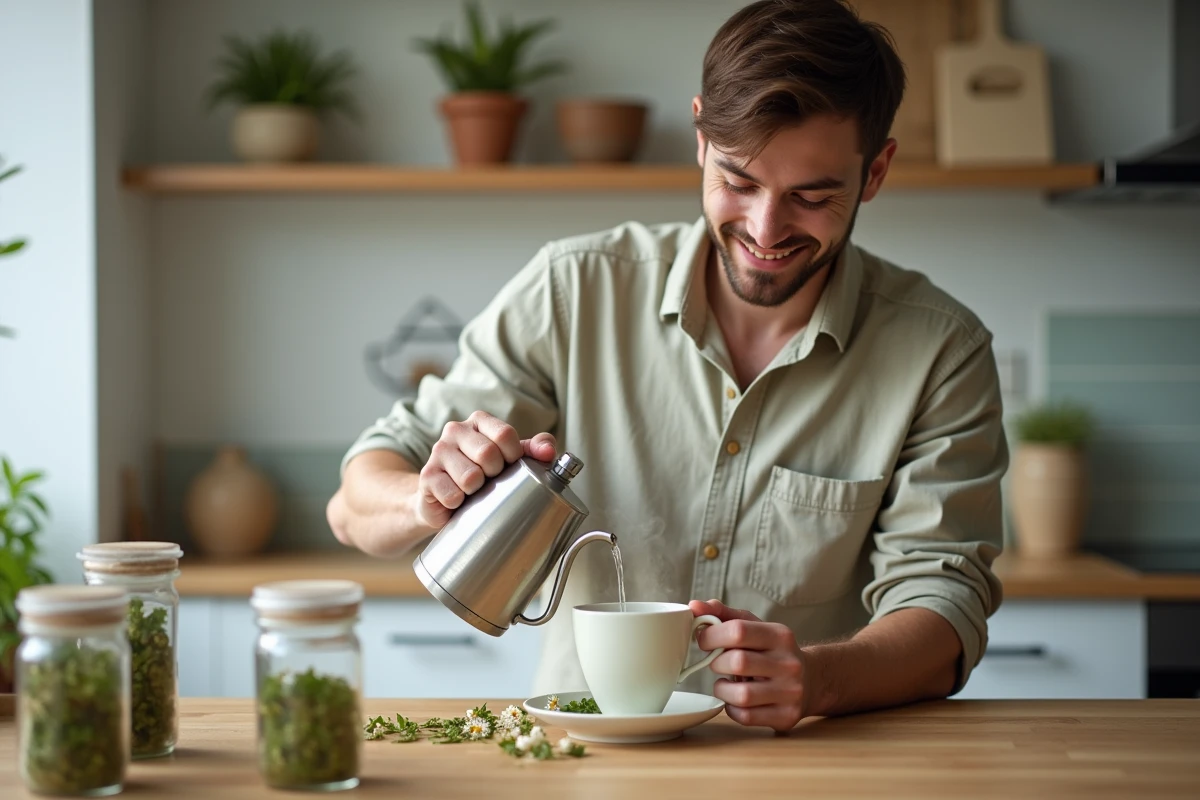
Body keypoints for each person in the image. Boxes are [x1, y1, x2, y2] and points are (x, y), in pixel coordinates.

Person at [328, 0, 1006, 732]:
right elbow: (355, 498)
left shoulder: (941, 350)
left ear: (875, 172)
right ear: (699, 138)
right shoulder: (573, 290)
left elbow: (944, 612)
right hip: (580, 762)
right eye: (739, 181)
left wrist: (821, 678)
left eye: (812, 196)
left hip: (805, 761)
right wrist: (428, 497)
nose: (765, 229)